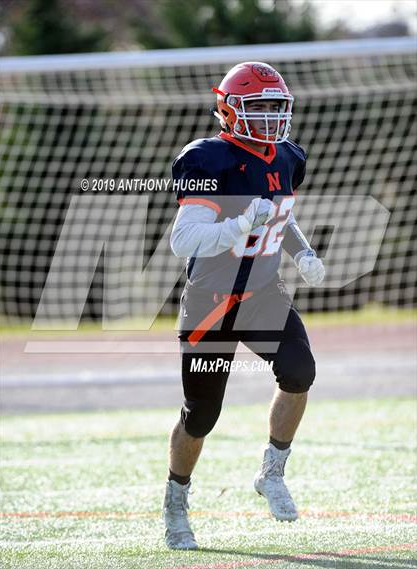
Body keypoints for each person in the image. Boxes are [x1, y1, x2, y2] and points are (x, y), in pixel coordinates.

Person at [162, 62, 325, 550]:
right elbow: (183, 237)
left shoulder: (288, 156)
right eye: (260, 107)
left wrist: (303, 251)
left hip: (262, 295)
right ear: (229, 111)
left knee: (300, 373)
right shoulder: (207, 159)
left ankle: (271, 472)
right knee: (202, 414)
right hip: (211, 303)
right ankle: (175, 501)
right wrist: (236, 228)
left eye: (278, 107)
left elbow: (279, 214)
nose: (272, 118)